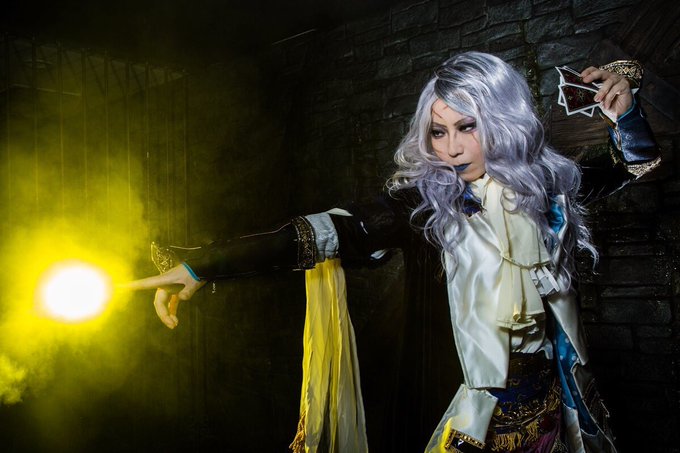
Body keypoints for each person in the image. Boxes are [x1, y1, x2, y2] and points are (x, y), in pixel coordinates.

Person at [125, 52, 660, 452]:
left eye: (467, 127)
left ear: (502, 119)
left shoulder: (549, 188)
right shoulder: (426, 205)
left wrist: (627, 107)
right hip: (470, 422)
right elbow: (325, 232)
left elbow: (635, 161)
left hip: (553, 414)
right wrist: (205, 265)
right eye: (438, 132)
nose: (451, 148)